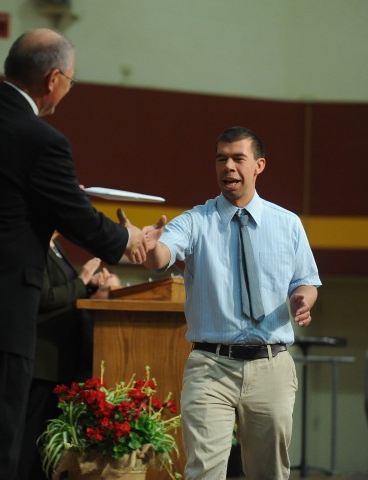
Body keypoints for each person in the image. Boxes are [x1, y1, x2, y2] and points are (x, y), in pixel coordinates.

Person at [0, 28, 151, 480]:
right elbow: (77, 218)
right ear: (54, 79)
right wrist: (128, 240)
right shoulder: (42, 141)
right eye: (72, 81)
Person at [142, 126, 321, 479]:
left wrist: (303, 299)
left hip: (271, 365)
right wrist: (151, 249)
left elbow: (306, 281)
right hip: (211, 365)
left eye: (238, 158)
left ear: (259, 165)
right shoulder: (196, 221)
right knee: (204, 472)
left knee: (269, 472)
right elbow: (162, 254)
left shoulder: (287, 224)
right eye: (221, 159)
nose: (228, 167)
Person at [20, 232, 120, 479]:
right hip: (43, 360)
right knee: (32, 443)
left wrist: (89, 285)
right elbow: (43, 297)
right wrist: (83, 278)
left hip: (60, 360)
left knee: (48, 446)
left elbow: (64, 294)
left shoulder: (55, 244)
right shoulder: (34, 243)